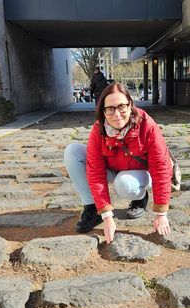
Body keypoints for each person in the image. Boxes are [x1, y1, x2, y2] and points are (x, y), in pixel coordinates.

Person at [64, 83, 172, 244]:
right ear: (103, 111)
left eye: (122, 107)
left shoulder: (147, 126)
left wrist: (161, 214)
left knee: (124, 184)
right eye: (110, 109)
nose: (117, 114)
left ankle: (140, 195)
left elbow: (161, 169)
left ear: (130, 105)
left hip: (142, 174)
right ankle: (92, 209)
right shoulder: (98, 130)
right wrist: (107, 216)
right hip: (114, 169)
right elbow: (95, 172)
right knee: (72, 151)